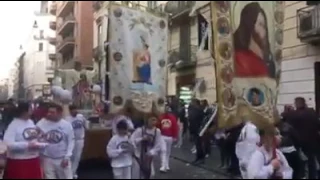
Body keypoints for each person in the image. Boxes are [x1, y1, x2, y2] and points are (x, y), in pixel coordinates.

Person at [3, 102, 47, 179]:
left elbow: (34, 136)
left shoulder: (31, 122)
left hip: (33, 159)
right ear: (24, 111)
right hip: (19, 162)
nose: (32, 111)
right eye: (30, 109)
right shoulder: (14, 124)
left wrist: (40, 139)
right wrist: (27, 145)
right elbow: (8, 143)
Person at [233, 2, 275, 78]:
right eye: (260, 24)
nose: (264, 31)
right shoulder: (239, 58)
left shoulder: (267, 60)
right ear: (250, 25)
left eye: (265, 26)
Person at [37, 103, 75, 179]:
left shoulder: (66, 125)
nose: (49, 114)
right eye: (49, 112)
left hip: (62, 158)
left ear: (59, 113)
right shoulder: (41, 124)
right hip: (48, 158)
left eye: (52, 112)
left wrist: (67, 157)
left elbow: (71, 142)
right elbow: (36, 138)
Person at [289, 97, 320, 179]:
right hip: (313, 143)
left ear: (297, 104)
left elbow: (290, 128)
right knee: (312, 163)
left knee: (301, 164)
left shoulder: (293, 115)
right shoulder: (312, 112)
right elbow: (317, 125)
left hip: (300, 143)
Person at [130, 113, 163, 179]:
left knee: (151, 174)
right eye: (152, 120)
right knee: (137, 174)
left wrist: (151, 152)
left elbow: (159, 145)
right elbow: (131, 141)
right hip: (138, 156)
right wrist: (141, 139)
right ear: (147, 120)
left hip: (149, 157)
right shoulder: (140, 130)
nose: (154, 122)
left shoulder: (157, 131)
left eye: (155, 120)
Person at [65, 105, 89, 179]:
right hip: (71, 140)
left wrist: (86, 127)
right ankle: (70, 173)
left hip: (80, 139)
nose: (75, 111)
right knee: (70, 156)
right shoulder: (67, 119)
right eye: (73, 110)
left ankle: (73, 172)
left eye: (76, 109)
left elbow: (86, 125)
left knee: (77, 157)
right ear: (70, 111)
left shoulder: (81, 117)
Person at [158, 105, 178, 173]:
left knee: (168, 151)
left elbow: (175, 127)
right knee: (163, 150)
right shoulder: (160, 117)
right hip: (162, 136)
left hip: (170, 137)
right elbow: (158, 126)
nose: (166, 110)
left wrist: (175, 136)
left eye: (167, 108)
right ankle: (163, 165)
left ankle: (166, 164)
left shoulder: (172, 117)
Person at [188, 99, 205, 164]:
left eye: (192, 102)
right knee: (197, 145)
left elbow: (199, 120)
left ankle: (201, 158)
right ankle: (198, 157)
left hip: (198, 129)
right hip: (195, 129)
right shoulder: (194, 110)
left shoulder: (199, 110)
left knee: (199, 145)